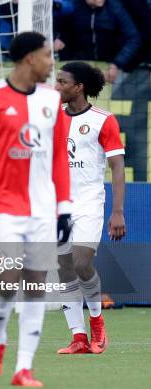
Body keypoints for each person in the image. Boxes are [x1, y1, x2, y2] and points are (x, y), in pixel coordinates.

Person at [0, 32, 72, 387]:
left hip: (42, 210)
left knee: (37, 284)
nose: (50, 63)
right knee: (8, 280)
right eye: (46, 56)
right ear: (28, 59)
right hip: (2, 207)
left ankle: (23, 367)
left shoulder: (52, 100)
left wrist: (64, 209)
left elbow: (58, 159)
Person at [54, 61, 126, 354]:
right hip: (57, 204)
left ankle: (97, 323)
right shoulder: (51, 117)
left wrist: (118, 211)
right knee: (63, 268)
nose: (57, 87)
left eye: (62, 82)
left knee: (81, 262)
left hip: (88, 201)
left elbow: (117, 166)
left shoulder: (103, 119)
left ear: (79, 87)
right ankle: (78, 337)